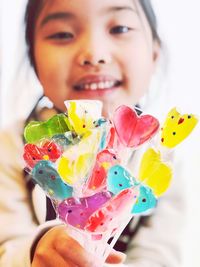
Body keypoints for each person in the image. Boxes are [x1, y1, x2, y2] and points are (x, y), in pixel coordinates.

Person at [0, 0, 184, 266]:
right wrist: (35, 250)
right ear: (34, 61)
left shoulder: (162, 159)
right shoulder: (10, 147)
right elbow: (6, 246)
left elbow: (161, 254)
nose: (93, 53)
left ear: (154, 54)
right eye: (62, 34)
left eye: (120, 28)